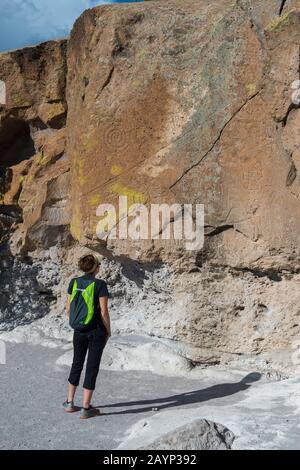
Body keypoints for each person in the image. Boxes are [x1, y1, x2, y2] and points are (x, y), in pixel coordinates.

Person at [63, 253, 111, 419]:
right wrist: (108, 331)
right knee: (92, 367)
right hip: (96, 331)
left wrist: (77, 321)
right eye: (98, 265)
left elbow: (68, 308)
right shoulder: (100, 285)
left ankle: (69, 403)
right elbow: (104, 312)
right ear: (95, 268)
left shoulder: (74, 282)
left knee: (76, 363)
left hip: (78, 331)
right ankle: (85, 408)